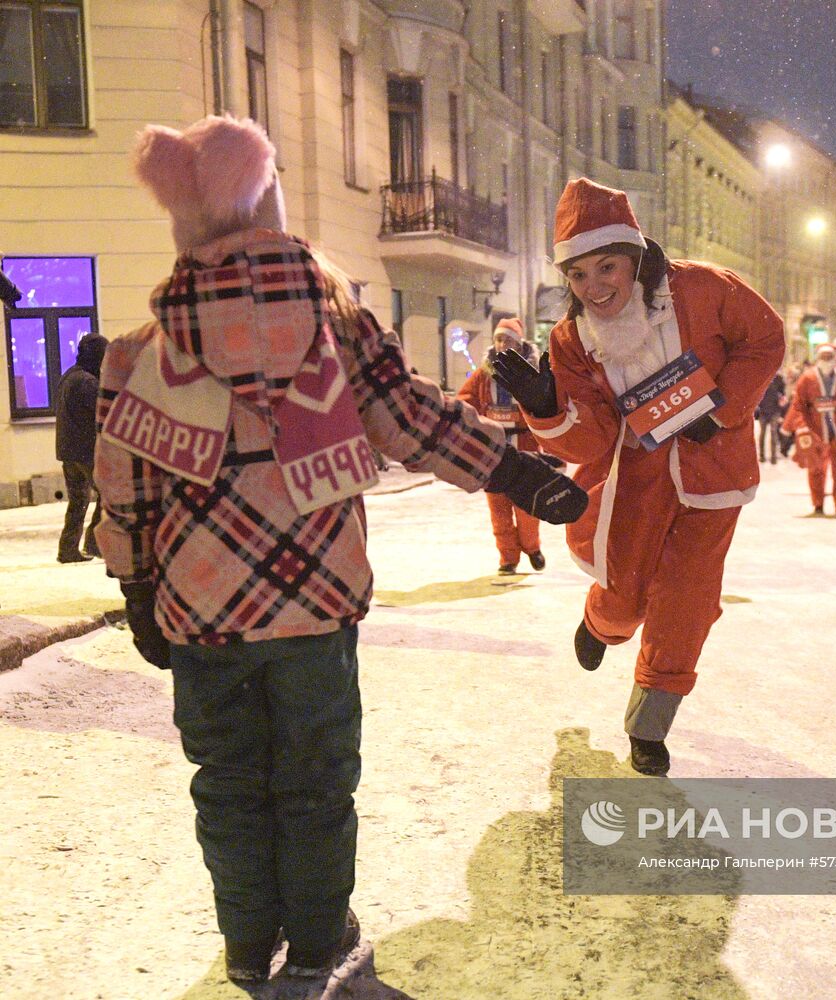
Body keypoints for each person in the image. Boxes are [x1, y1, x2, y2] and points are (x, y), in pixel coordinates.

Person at [95, 115, 587, 985]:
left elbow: (123, 485)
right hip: (317, 601)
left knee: (228, 782)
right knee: (317, 779)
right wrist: (513, 469)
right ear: (272, 215)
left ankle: (248, 942)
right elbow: (413, 421)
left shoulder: (143, 353)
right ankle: (320, 937)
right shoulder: (338, 330)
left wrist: (137, 587)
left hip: (201, 613)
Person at [493, 178, 784, 776]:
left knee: (688, 600)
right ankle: (601, 622)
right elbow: (592, 439)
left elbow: (764, 338)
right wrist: (546, 409)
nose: (595, 286)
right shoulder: (571, 339)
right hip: (633, 479)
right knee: (625, 595)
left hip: (713, 473)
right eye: (579, 275)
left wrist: (721, 408)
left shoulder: (703, 288)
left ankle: (650, 722)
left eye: (607, 267)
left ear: (634, 258)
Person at [458, 317, 557, 574]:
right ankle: (508, 558)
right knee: (498, 509)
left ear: (519, 343)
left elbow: (549, 403)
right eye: (498, 339)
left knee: (527, 506)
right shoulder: (483, 374)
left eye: (507, 340)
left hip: (524, 445)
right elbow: (465, 400)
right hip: (493, 450)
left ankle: (532, 547)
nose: (502, 344)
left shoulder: (531, 372)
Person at [784, 342, 836, 516]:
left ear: (834, 358)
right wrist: (792, 426)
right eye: (823, 356)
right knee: (816, 468)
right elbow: (798, 404)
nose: (826, 359)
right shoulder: (807, 377)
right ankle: (818, 504)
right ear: (818, 357)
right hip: (816, 429)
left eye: (829, 356)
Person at [54, 332, 108, 563]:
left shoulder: (68, 376)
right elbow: (104, 412)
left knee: (78, 501)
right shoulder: (87, 382)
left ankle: (68, 548)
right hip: (86, 451)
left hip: (68, 450)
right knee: (107, 495)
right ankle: (93, 544)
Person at [755, 369, 786, 464]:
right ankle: (762, 456)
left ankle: (773, 457)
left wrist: (782, 400)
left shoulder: (779, 378)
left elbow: (783, 393)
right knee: (763, 433)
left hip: (775, 410)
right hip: (763, 410)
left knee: (773, 432)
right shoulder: (761, 377)